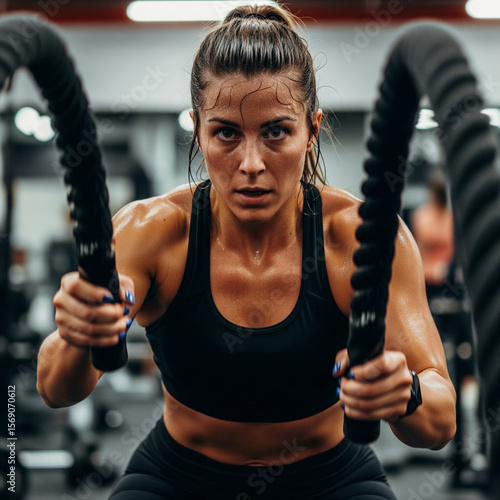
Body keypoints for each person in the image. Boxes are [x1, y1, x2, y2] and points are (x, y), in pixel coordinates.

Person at [36, 2, 456, 498]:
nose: (251, 163)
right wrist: (78, 334)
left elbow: (440, 419)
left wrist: (404, 393)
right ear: (198, 130)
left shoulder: (361, 237)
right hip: (178, 477)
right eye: (227, 134)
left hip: (330, 476)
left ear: (311, 130)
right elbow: (55, 388)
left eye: (276, 131)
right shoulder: (150, 232)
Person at [411, 173, 487, 489]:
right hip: (428, 296)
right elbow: (413, 255)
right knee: (437, 369)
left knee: (467, 371)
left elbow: (462, 255)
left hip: (455, 297)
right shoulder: (420, 215)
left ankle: (476, 452)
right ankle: (453, 453)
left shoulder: (456, 218)